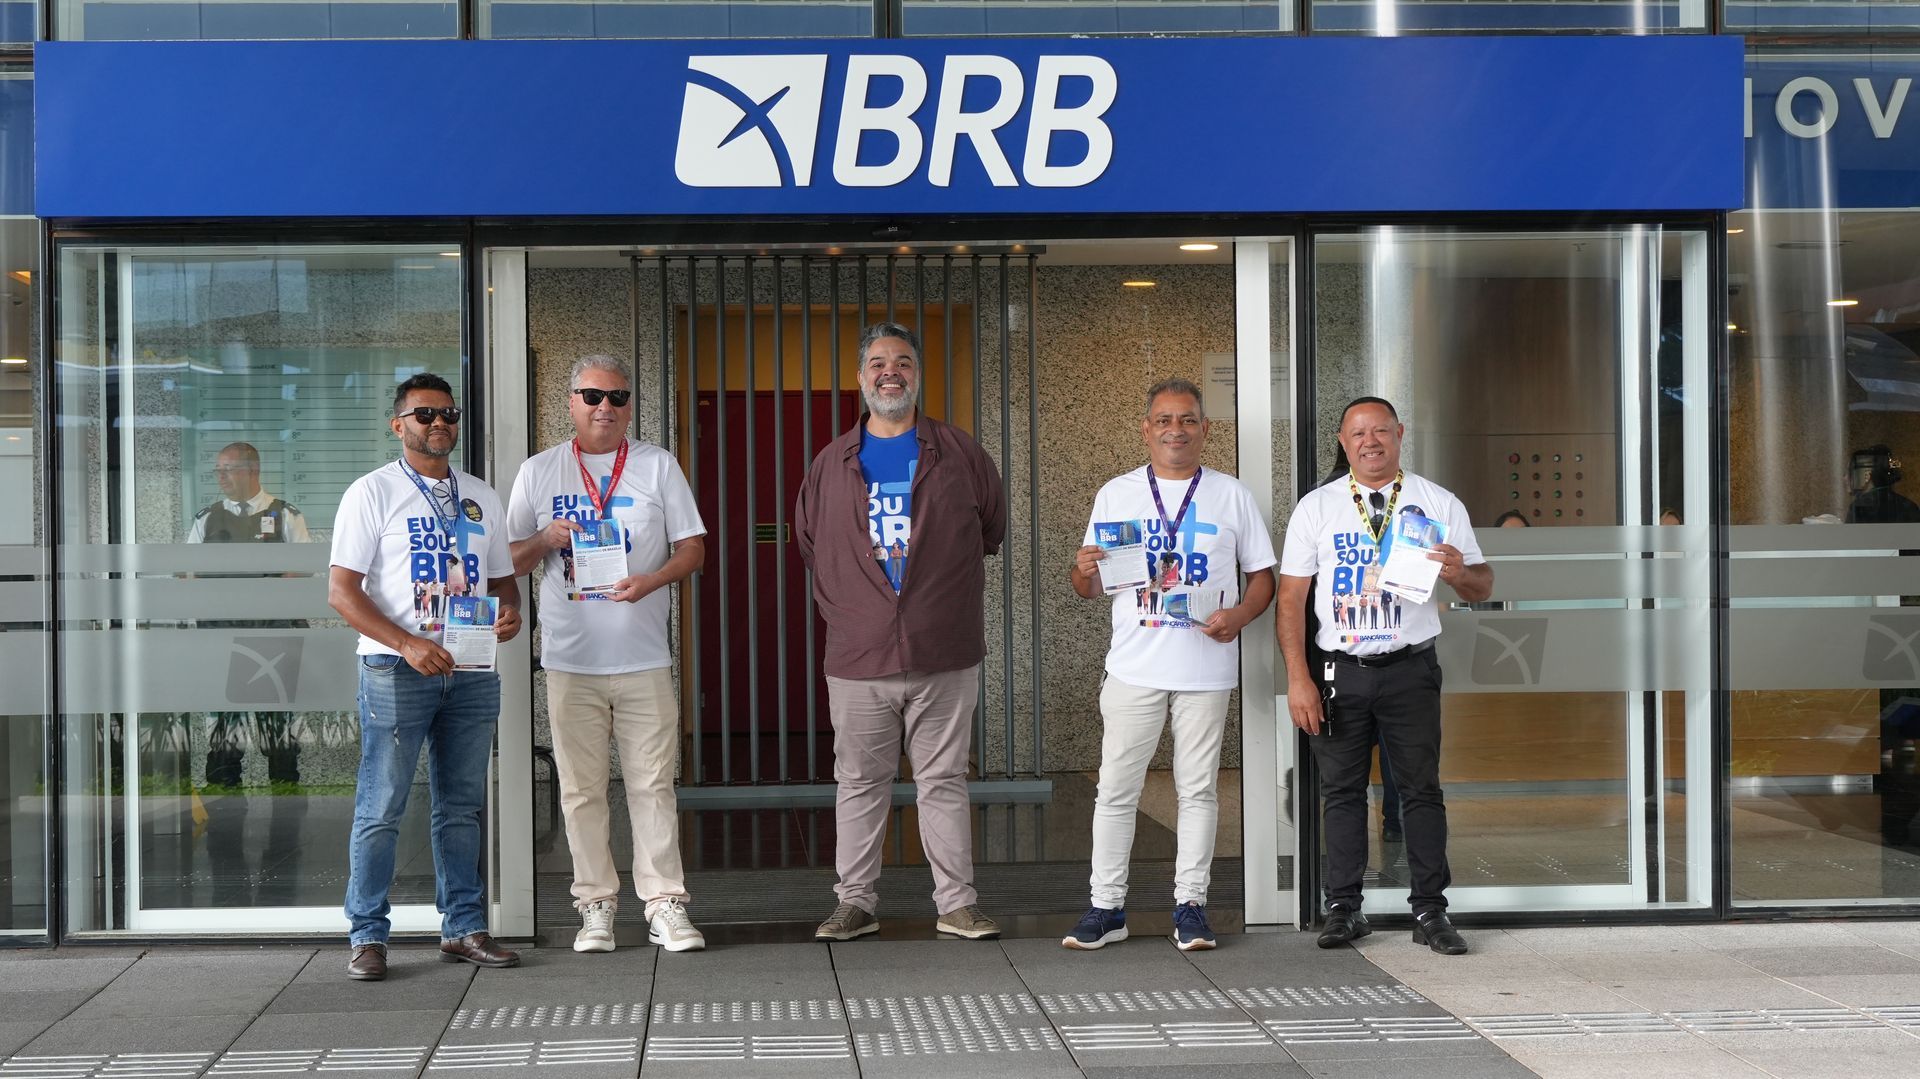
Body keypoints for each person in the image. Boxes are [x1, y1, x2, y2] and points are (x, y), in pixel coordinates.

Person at [795, 321, 1005, 943]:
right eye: (879, 363)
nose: (892, 372)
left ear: (918, 374)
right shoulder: (831, 462)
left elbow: (990, 529)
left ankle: (957, 904)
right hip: (859, 654)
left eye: (904, 362)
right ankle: (854, 903)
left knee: (944, 780)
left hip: (943, 648)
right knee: (860, 783)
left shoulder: (961, 453)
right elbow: (811, 543)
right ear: (861, 378)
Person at [506, 354, 708, 955]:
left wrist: (652, 580)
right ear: (571, 402)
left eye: (618, 397)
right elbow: (506, 560)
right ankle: (595, 906)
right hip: (571, 661)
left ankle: (664, 904)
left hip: (643, 658)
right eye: (593, 396)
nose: (605, 407)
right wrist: (544, 538)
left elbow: (693, 548)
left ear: (629, 405)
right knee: (581, 790)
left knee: (653, 786)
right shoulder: (539, 472)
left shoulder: (657, 465)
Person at [1277, 396, 1492, 956]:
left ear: (1400, 433)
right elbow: (1290, 600)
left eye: (1380, 431)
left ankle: (1430, 910)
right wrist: (1299, 679)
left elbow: (1483, 584)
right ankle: (1344, 909)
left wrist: (1458, 572)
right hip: (1339, 671)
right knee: (1341, 792)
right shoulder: (1317, 508)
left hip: (1409, 670)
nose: (1369, 441)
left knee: (1421, 791)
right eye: (1358, 433)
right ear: (1343, 442)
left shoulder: (1436, 502)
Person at [1066, 379, 1276, 952]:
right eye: (1164, 420)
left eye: (1186, 420)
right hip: (1133, 667)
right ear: (1146, 429)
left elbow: (1263, 577)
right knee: (1116, 790)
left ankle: (1191, 907)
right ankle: (1107, 908)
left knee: (1198, 791)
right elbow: (1089, 587)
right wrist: (1083, 569)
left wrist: (1240, 616)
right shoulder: (1117, 494)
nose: (1175, 430)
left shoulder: (1231, 494)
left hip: (1205, 669)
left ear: (1205, 429)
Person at [328, 373, 523, 981]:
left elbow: (501, 580)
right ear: (399, 425)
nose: (439, 422)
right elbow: (342, 592)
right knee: (382, 806)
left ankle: (463, 928)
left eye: (448, 413)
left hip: (470, 669)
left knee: (461, 807)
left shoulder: (481, 496)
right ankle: (367, 935)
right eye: (425, 414)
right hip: (395, 668)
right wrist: (407, 643)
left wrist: (511, 611)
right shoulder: (372, 492)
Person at [189, 441, 312, 791]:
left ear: (252, 471)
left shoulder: (285, 514)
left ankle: (286, 799)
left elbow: (303, 569)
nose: (221, 477)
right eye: (218, 470)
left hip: (274, 635)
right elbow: (188, 573)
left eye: (228, 470)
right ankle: (223, 798)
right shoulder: (207, 518)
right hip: (220, 636)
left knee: (279, 725)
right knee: (222, 726)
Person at [1847, 446, 1920, 524]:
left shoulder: (1859, 508)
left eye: (1849, 472)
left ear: (1866, 475)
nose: (1845, 477)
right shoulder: (1908, 506)